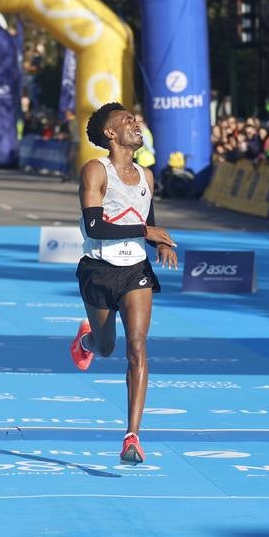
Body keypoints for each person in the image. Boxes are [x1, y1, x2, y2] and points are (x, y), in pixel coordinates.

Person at [69, 102, 178, 465]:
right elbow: (95, 227)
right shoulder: (95, 171)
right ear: (110, 134)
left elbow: (147, 222)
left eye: (136, 117)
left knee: (137, 347)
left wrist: (158, 240)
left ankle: (132, 436)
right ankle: (87, 337)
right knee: (106, 348)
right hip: (99, 270)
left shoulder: (146, 176)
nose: (136, 122)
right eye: (126, 120)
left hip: (136, 271)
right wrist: (147, 230)